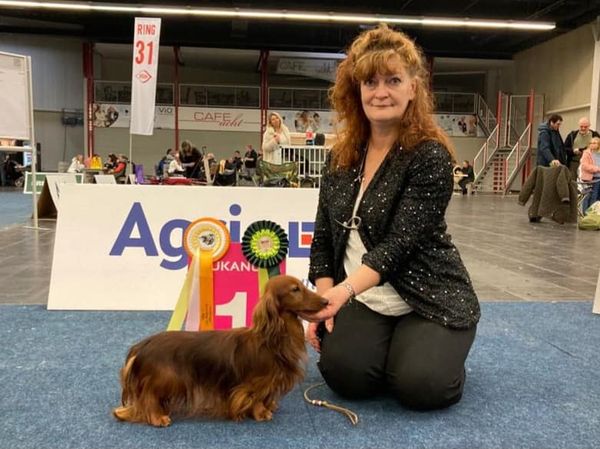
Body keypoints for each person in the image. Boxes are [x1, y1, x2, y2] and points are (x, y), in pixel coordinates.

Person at [303, 24, 480, 411]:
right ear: (357, 90)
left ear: (413, 88)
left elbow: (399, 245)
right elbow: (324, 238)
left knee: (422, 387)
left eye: (393, 80)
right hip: (365, 298)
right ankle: (392, 351)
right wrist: (322, 301)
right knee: (344, 376)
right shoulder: (339, 158)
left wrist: (341, 293)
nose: (380, 92)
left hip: (429, 297)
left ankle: (438, 352)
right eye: (370, 82)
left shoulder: (430, 156)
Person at [579, 136, 600, 212]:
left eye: (594, 143)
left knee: (596, 197)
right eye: (591, 143)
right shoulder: (586, 153)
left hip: (599, 178)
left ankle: (594, 214)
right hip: (590, 178)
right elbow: (584, 166)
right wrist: (597, 169)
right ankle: (585, 213)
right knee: (588, 196)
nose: (592, 144)